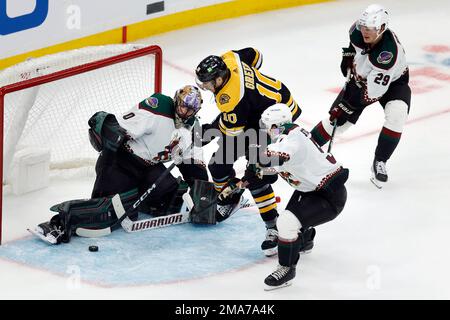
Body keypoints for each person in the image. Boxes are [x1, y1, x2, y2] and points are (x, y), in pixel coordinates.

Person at [32, 85, 209, 244]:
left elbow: (193, 164)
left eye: (191, 110)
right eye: (183, 106)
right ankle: (58, 223)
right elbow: (118, 126)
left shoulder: (193, 127)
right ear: (176, 99)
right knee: (108, 212)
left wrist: (205, 196)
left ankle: (137, 201)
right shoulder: (159, 107)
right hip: (122, 161)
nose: (185, 112)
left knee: (170, 196)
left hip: (150, 168)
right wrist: (112, 134)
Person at [194, 48, 302, 256]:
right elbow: (256, 55)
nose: (206, 88)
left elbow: (231, 131)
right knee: (218, 165)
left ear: (218, 79)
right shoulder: (230, 59)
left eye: (207, 84)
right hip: (261, 109)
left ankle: (273, 227)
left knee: (257, 173)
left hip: (277, 120)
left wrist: (208, 131)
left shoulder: (231, 98)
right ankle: (231, 199)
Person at [309, 4, 411, 188]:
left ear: (381, 29)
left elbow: (373, 93)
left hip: (393, 83)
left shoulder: (386, 54)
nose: (365, 31)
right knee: (336, 121)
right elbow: (352, 47)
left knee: (397, 114)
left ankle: (380, 161)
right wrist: (348, 56)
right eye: (364, 26)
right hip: (362, 80)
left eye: (370, 29)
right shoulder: (357, 31)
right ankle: (304, 147)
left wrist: (347, 105)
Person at [249, 103, 348, 290]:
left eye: (267, 126)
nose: (265, 131)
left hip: (329, 197)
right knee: (292, 222)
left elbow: (278, 156)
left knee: (286, 222)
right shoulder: (293, 134)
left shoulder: (290, 138)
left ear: (275, 126)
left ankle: (286, 270)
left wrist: (259, 160)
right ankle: (305, 239)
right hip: (311, 190)